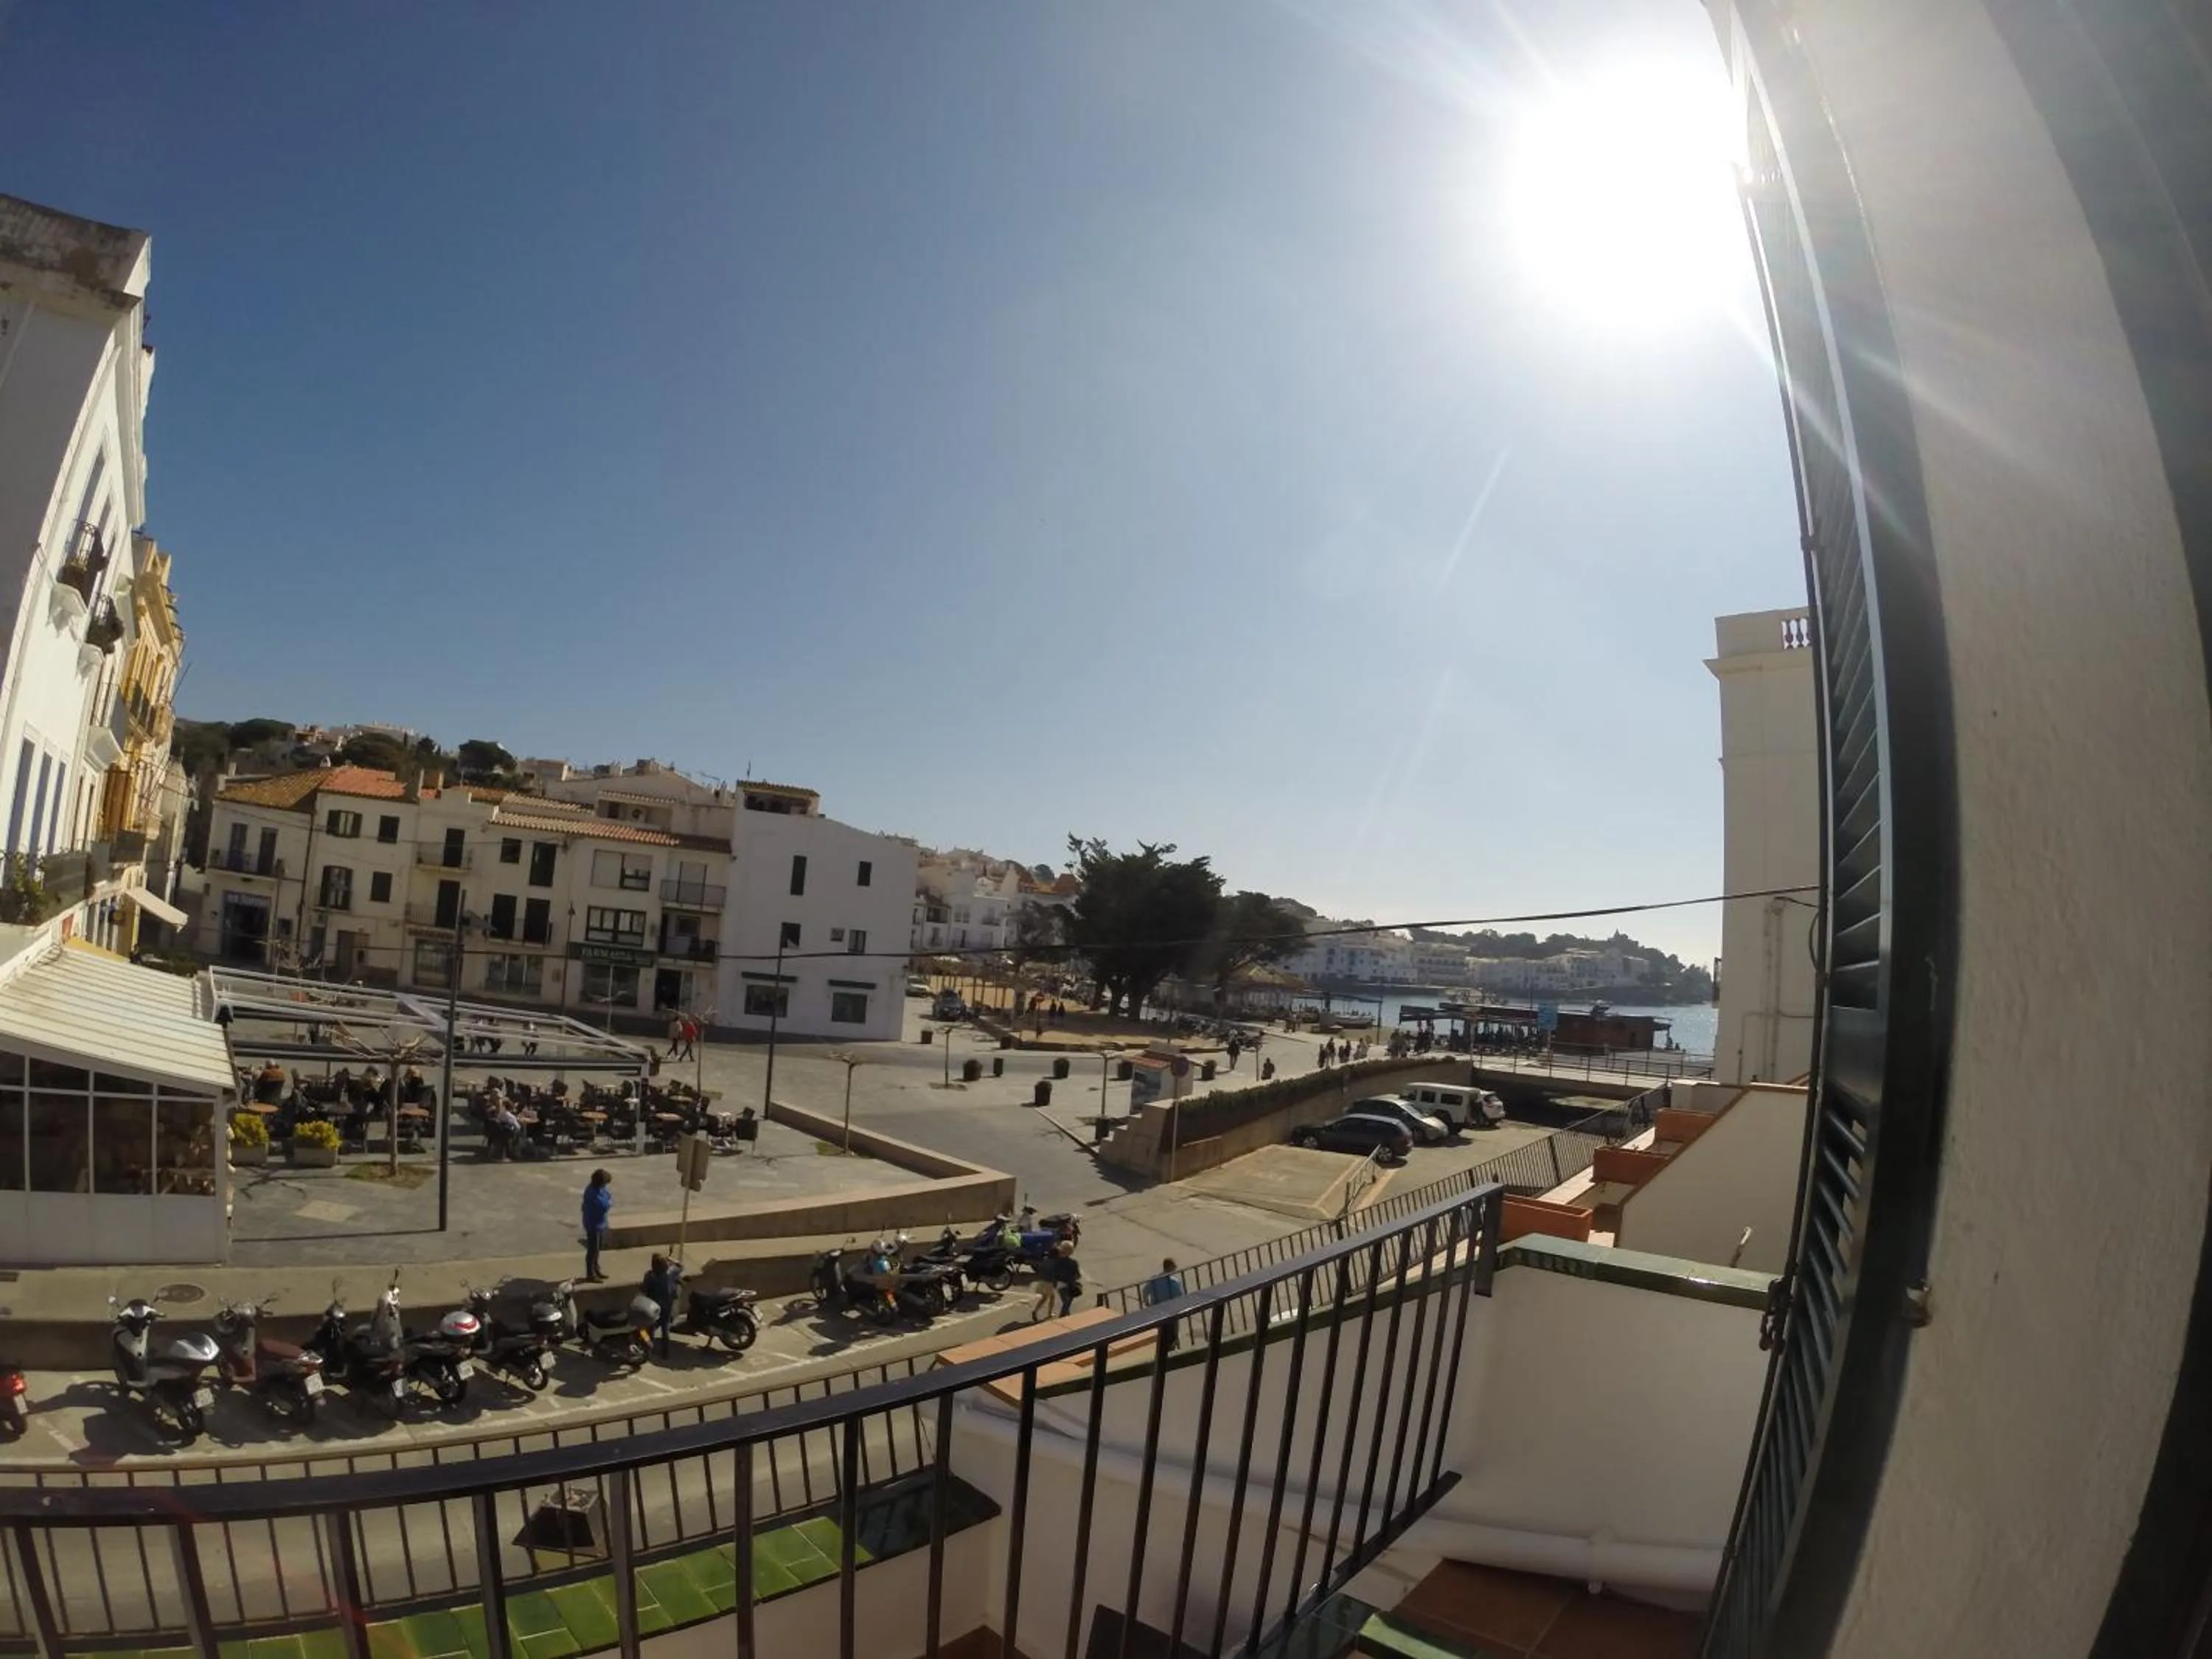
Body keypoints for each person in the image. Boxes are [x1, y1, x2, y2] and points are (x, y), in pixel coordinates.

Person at [642, 1252, 682, 1358]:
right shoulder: (671, 1272)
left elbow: (644, 1289)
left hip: (653, 1306)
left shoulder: (649, 1275)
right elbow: (680, 1266)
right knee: (665, 1328)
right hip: (667, 1304)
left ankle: (648, 1349)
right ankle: (665, 1352)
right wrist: (671, 1259)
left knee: (650, 1328)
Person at [1141, 1256, 1186, 1350]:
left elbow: (1145, 1291)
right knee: (1174, 1329)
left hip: (1157, 1309)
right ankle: (1175, 1343)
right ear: (1170, 1267)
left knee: (1160, 1330)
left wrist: (1147, 1303)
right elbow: (1180, 1296)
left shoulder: (1154, 1279)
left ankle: (1161, 1346)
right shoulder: (1174, 1282)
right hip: (1170, 1310)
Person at [582, 1169, 613, 1281]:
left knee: (597, 1248)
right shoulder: (592, 1193)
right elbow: (605, 1205)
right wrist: (609, 1202)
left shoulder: (599, 1189)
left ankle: (596, 1269)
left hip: (600, 1223)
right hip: (593, 1224)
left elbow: (608, 1196)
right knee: (593, 1250)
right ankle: (590, 1274)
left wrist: (608, 1200)